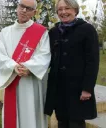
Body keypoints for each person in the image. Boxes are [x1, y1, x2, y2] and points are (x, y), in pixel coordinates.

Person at [0, 0, 51, 128]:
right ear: (18, 7)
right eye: (22, 6)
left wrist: (30, 68)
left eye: (29, 8)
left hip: (32, 81)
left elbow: (45, 54)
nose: (24, 10)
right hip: (12, 79)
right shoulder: (5, 32)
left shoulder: (41, 32)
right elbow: (0, 56)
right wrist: (14, 67)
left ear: (34, 12)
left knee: (32, 112)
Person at [44, 0, 99, 128]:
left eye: (67, 8)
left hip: (78, 88)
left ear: (75, 10)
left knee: (76, 122)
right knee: (61, 120)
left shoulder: (87, 30)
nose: (63, 12)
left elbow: (93, 61)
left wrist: (87, 88)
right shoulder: (53, 32)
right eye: (60, 9)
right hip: (58, 87)